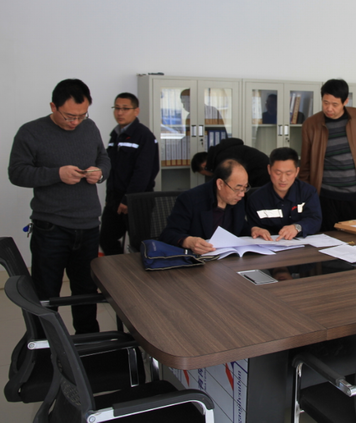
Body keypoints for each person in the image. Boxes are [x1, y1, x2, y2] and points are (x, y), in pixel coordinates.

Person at [8, 79, 110, 334]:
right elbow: (17, 173)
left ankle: (88, 342)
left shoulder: (90, 127)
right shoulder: (30, 132)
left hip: (88, 226)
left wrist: (100, 172)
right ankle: (46, 345)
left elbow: (103, 157)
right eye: (69, 116)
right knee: (46, 294)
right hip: (51, 228)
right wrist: (57, 174)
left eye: (82, 115)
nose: (75, 122)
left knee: (86, 291)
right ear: (53, 106)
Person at [299, 78, 356, 231]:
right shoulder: (311, 125)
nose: (329, 108)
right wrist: (305, 195)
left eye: (335, 104)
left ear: (345, 101)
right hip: (324, 196)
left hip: (353, 195)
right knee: (326, 238)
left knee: (354, 238)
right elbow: (305, 165)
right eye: (325, 103)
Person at [160, 159, 269, 254]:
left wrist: (253, 229)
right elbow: (168, 234)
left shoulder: (237, 199)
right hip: (197, 261)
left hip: (229, 259)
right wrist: (188, 241)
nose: (242, 194)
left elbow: (239, 226)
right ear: (220, 184)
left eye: (245, 187)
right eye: (237, 188)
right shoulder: (190, 199)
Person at [99, 93, 159, 255]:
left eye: (125, 109)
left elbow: (144, 173)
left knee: (140, 246)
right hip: (115, 199)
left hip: (136, 201)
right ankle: (120, 268)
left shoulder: (144, 135)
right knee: (106, 239)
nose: (120, 113)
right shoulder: (115, 134)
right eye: (117, 108)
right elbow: (112, 169)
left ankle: (135, 271)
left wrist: (128, 199)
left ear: (136, 111)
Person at [247, 147, 322, 240]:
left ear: (297, 171)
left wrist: (297, 227)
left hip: (302, 245)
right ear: (269, 169)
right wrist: (255, 229)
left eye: (288, 173)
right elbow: (250, 225)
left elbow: (315, 220)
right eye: (278, 173)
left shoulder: (308, 192)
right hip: (269, 244)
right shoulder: (256, 199)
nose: (283, 179)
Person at [191, 138, 270, 188]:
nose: (207, 175)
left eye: (203, 174)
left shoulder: (223, 159)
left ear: (204, 166)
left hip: (261, 174)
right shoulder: (222, 153)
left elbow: (232, 180)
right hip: (264, 170)